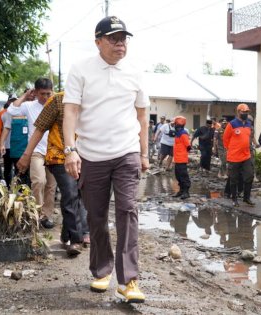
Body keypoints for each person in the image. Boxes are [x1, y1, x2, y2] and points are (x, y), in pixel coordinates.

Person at [62, 15, 148, 303]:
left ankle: (128, 280)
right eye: (113, 38)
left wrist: (144, 153)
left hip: (126, 152)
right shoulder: (81, 69)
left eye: (123, 38)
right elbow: (71, 111)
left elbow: (142, 115)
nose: (119, 44)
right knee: (96, 217)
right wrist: (70, 150)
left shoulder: (135, 72)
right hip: (92, 156)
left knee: (127, 211)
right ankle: (101, 270)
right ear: (98, 41)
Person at [15, 92, 89, 257]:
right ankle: (75, 240)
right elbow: (40, 128)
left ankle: (66, 234)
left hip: (87, 155)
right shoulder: (57, 100)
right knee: (70, 193)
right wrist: (26, 155)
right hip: (59, 156)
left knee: (80, 195)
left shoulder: (95, 99)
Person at [8, 78, 57, 229]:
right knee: (38, 181)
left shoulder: (55, 104)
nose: (45, 97)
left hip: (54, 151)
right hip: (36, 151)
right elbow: (11, 110)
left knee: (51, 185)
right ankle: (36, 213)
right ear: (35, 93)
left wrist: (54, 97)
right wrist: (24, 96)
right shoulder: (29, 106)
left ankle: (46, 216)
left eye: (48, 93)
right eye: (42, 94)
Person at [224, 103, 255, 207]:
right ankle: (234, 199)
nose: (245, 113)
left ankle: (246, 198)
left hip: (246, 156)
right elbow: (225, 139)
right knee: (234, 179)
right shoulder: (232, 124)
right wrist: (232, 149)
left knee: (249, 176)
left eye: (247, 112)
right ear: (238, 112)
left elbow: (249, 137)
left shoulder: (248, 124)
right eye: (243, 112)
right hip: (234, 157)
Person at [172, 116, 191, 199]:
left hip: (182, 159)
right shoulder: (178, 134)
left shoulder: (183, 134)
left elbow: (188, 146)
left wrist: (184, 152)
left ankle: (186, 192)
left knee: (183, 175)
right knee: (178, 175)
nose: (174, 126)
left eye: (175, 124)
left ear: (178, 124)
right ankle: (181, 190)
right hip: (177, 158)